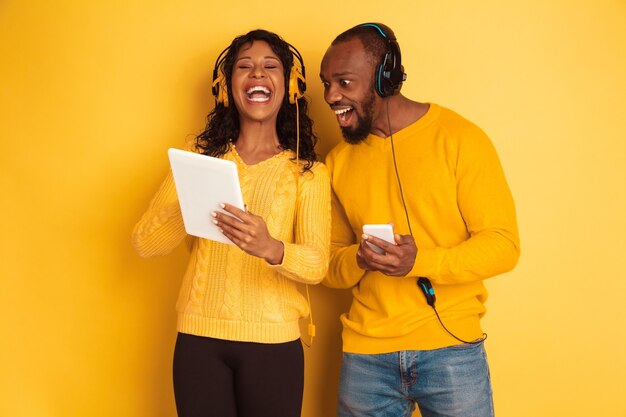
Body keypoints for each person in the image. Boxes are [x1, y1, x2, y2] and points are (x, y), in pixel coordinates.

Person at [319, 22, 520, 417]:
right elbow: (329, 263)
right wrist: (358, 259)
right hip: (365, 357)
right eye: (327, 83)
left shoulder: (460, 138)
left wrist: (419, 261)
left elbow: (504, 245)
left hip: (451, 352)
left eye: (344, 82)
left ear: (386, 77)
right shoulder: (337, 161)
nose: (330, 96)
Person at [132, 29, 330, 417]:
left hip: (274, 346)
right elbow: (144, 242)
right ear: (226, 86)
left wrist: (271, 247)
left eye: (270, 66)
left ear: (290, 85)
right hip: (198, 339)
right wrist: (194, 204)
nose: (257, 74)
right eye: (245, 67)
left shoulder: (307, 173)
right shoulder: (199, 159)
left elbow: (318, 264)